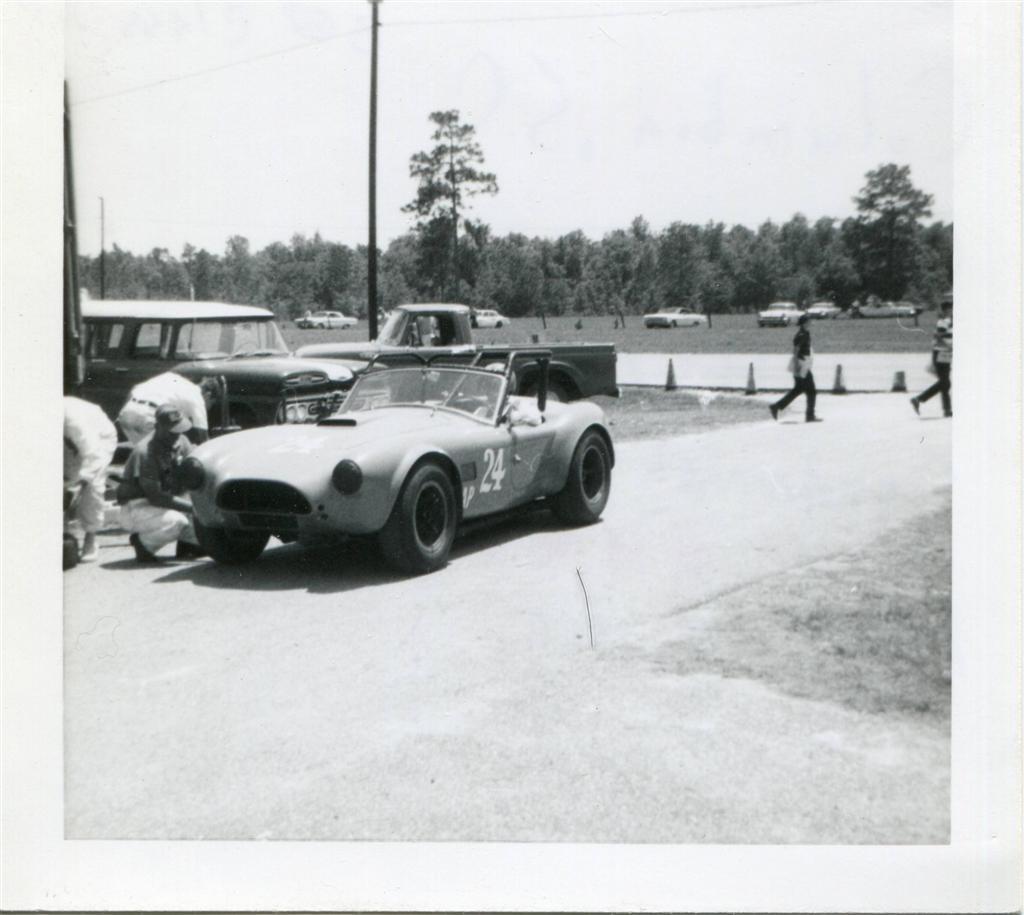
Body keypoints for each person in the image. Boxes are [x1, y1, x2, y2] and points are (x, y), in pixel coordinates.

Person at [116, 404, 204, 562]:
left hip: (165, 501)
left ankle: (188, 547)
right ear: (157, 427)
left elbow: (193, 470)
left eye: (179, 429)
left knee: (201, 516)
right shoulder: (146, 452)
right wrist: (194, 508)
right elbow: (156, 497)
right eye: (172, 431)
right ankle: (143, 544)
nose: (177, 435)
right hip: (138, 506)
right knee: (177, 521)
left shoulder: (181, 440)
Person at [64, 396, 118, 562]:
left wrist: (79, 483)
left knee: (92, 485)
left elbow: (93, 456)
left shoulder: (74, 421)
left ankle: (91, 537)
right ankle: (63, 530)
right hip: (67, 443)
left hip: (99, 437)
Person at [117, 371, 212, 445]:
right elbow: (202, 435)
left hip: (127, 412)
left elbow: (135, 388)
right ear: (208, 395)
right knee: (166, 450)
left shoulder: (170, 378)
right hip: (149, 417)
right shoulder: (196, 395)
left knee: (143, 451)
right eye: (211, 403)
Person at [769, 313, 822, 423]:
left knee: (798, 390)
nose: (810, 323)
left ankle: (776, 406)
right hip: (801, 365)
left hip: (804, 364)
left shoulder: (805, 333)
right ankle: (810, 416)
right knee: (811, 391)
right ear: (804, 323)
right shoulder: (801, 335)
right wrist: (797, 366)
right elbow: (796, 351)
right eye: (809, 321)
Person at [910, 298, 953, 417]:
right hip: (940, 353)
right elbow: (938, 335)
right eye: (951, 309)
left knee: (945, 383)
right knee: (945, 382)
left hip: (946, 354)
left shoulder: (950, 322)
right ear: (946, 310)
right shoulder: (943, 322)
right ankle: (919, 399)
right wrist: (948, 346)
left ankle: (947, 410)